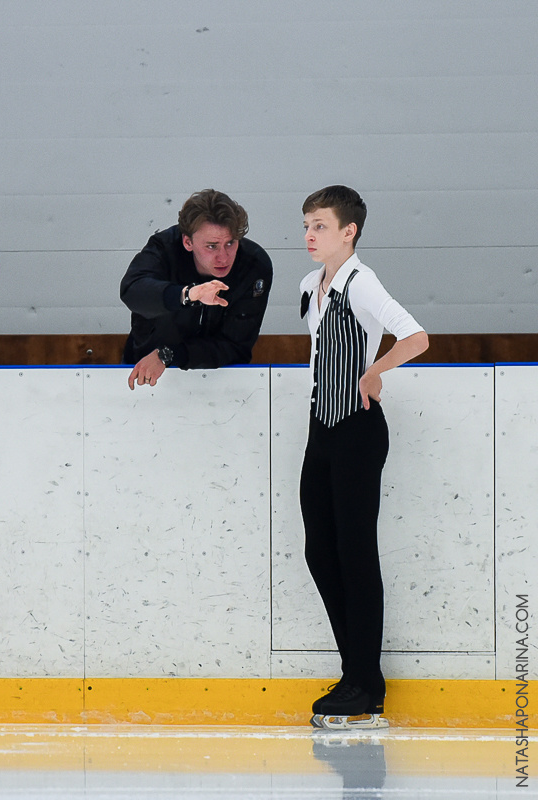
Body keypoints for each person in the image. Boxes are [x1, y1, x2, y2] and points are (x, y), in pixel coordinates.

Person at [298, 185, 429, 730]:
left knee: (354, 551)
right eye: (306, 225)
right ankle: (357, 674)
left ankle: (365, 683)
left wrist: (375, 371)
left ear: (349, 231)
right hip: (320, 428)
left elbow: (416, 337)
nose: (309, 235)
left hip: (357, 430)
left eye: (321, 226)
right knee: (319, 550)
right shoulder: (310, 284)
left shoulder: (361, 281)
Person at [120, 189, 273, 390]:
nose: (224, 257)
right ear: (188, 242)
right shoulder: (164, 248)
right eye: (211, 246)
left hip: (222, 380)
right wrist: (187, 295)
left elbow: (236, 346)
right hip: (147, 375)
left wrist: (169, 354)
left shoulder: (253, 265)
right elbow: (133, 291)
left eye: (230, 243)